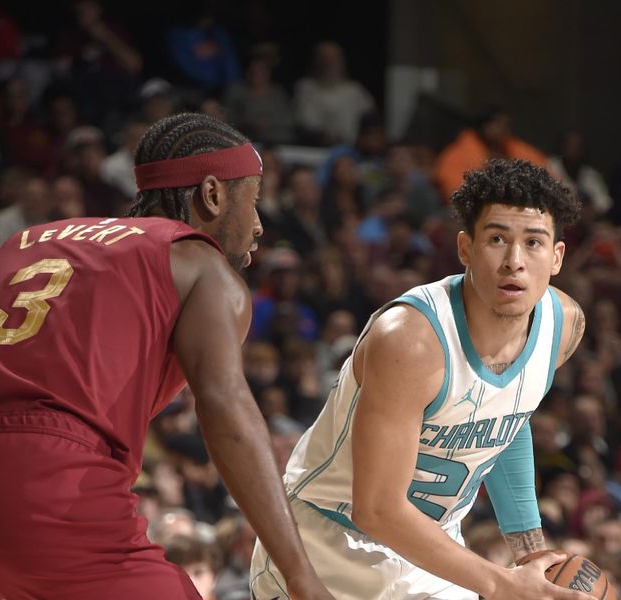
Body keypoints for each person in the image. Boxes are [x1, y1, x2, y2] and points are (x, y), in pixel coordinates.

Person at [0, 113, 332, 599]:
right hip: (49, 481)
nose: (258, 225)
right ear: (213, 195)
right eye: (253, 201)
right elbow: (226, 410)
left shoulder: (25, 241)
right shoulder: (200, 265)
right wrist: (301, 576)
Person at [250, 158, 594, 600]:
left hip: (431, 547)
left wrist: (530, 557)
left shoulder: (562, 325)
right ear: (465, 249)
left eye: (533, 243)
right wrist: (503, 584)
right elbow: (376, 509)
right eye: (496, 239)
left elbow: (509, 413)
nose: (514, 262)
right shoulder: (411, 341)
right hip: (328, 541)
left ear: (557, 257)